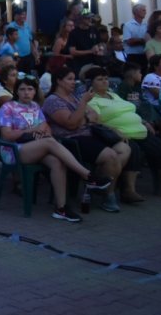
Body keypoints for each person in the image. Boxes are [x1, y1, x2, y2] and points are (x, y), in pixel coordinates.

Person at [0, 76, 112, 222]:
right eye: (22, 89)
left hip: (36, 146)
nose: (26, 92)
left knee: (57, 161)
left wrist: (40, 133)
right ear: (16, 91)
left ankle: (61, 208)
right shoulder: (8, 108)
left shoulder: (35, 106)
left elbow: (46, 129)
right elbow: (7, 135)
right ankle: (88, 176)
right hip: (13, 150)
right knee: (50, 142)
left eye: (30, 89)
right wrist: (31, 130)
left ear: (35, 91)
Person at [81, 66, 161, 200]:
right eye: (100, 79)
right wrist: (113, 129)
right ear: (90, 83)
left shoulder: (113, 95)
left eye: (106, 79)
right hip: (120, 135)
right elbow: (95, 122)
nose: (105, 81)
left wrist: (144, 121)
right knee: (133, 150)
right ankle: (128, 190)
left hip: (139, 130)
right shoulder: (91, 100)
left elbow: (129, 110)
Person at [42, 66, 130, 213]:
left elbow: (95, 116)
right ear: (59, 81)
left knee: (124, 149)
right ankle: (108, 194)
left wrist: (82, 118)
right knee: (111, 156)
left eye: (74, 79)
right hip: (72, 140)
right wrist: (83, 107)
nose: (74, 82)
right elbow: (71, 124)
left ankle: (97, 181)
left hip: (89, 134)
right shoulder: (53, 100)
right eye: (70, 79)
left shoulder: (73, 97)